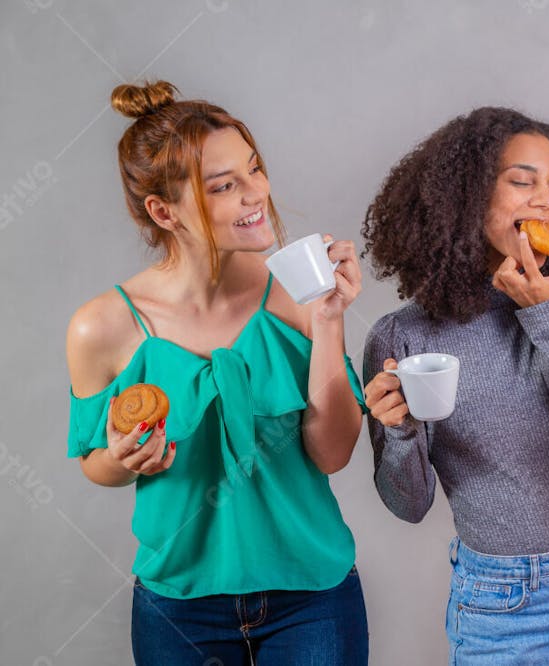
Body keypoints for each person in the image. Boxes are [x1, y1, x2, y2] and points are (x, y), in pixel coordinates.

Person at [65, 81, 369, 665]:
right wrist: (121, 459)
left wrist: (329, 320)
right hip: (177, 607)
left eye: (254, 170)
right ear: (163, 211)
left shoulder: (298, 295)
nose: (257, 194)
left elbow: (333, 454)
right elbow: (95, 464)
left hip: (312, 596)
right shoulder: (100, 328)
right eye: (225, 186)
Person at [362, 107, 549, 664]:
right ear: (465, 197)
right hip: (503, 605)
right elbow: (409, 505)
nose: (547, 200)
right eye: (523, 181)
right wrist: (400, 434)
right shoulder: (403, 336)